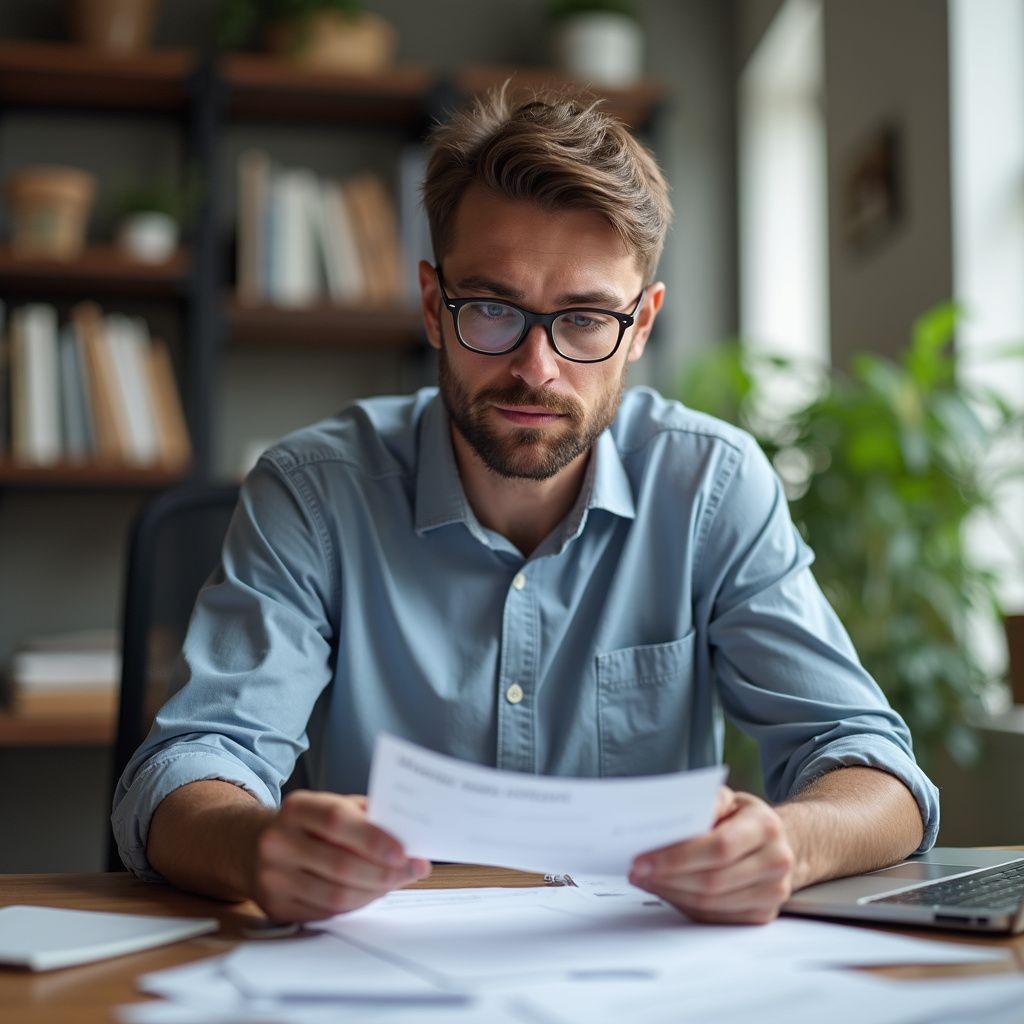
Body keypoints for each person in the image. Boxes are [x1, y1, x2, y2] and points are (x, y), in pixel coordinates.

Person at [113, 85, 938, 927]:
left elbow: (875, 769)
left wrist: (792, 843)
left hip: (644, 968)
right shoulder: (314, 491)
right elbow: (191, 766)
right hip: (378, 974)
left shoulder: (711, 486)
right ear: (436, 307)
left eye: (584, 320)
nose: (537, 369)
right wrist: (257, 846)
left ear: (642, 326)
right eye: (495, 310)